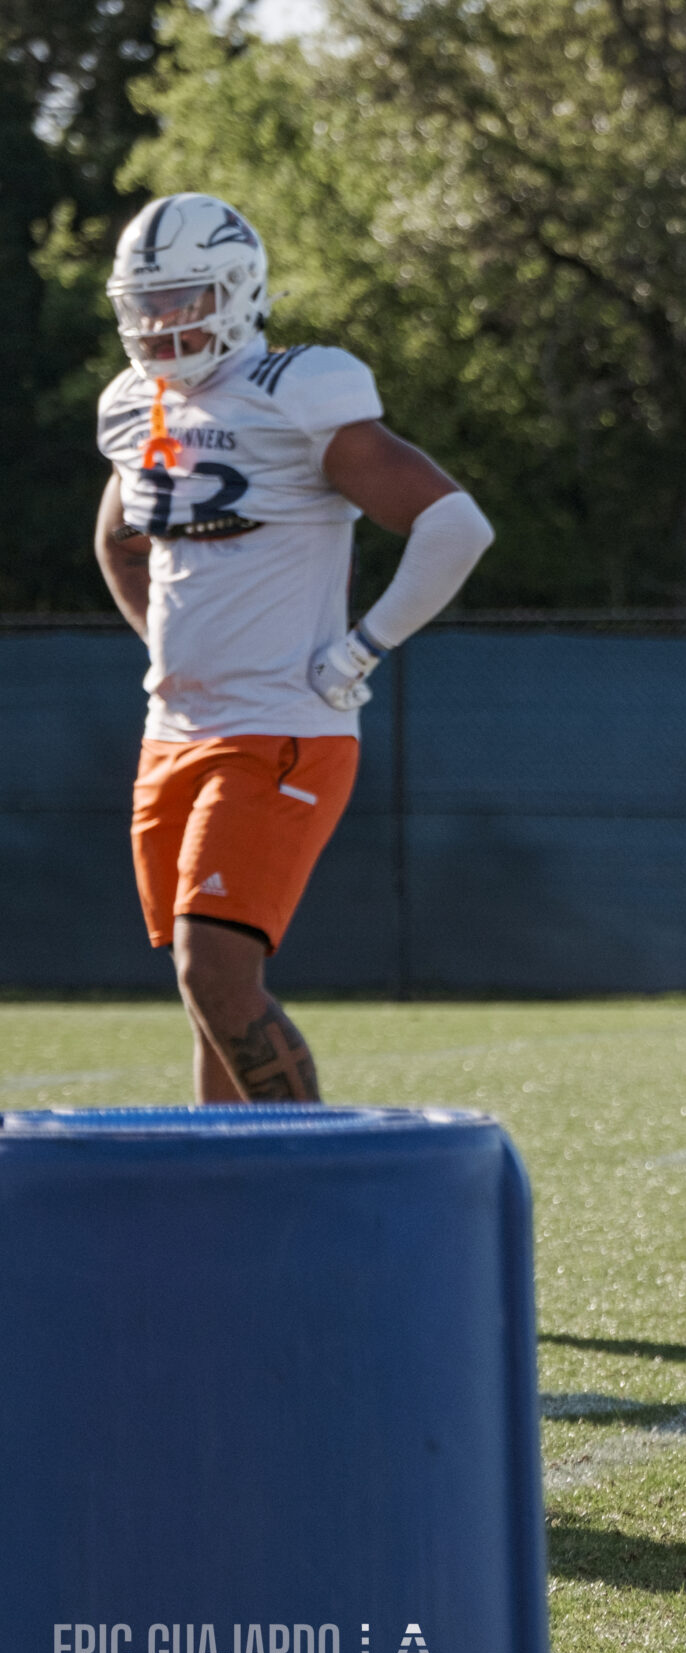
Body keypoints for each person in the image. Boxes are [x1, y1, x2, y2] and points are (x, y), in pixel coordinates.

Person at [93, 193, 491, 1103]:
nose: (159, 323)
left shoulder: (296, 390)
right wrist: (163, 641)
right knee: (209, 996)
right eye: (145, 303)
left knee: (214, 970)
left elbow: (456, 525)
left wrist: (362, 649)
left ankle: (310, 1184)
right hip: (175, 729)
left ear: (236, 292)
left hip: (280, 725)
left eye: (182, 298)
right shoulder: (134, 406)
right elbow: (119, 539)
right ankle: (221, 1207)